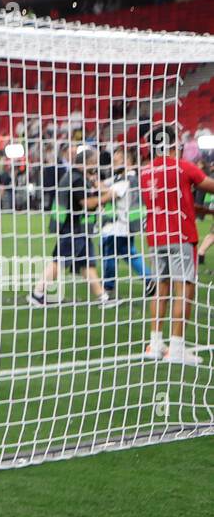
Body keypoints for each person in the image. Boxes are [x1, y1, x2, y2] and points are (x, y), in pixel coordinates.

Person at [138, 123, 214, 364]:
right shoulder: (182, 167)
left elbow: (170, 202)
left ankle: (156, 343)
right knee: (185, 289)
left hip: (155, 237)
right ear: (175, 144)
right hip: (180, 236)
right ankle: (177, 347)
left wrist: (205, 211)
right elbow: (209, 186)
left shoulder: (146, 171)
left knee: (162, 289)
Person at [29, 144, 110, 307]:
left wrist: (98, 186)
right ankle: (37, 294)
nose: (96, 165)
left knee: (88, 264)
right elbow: (86, 203)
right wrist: (109, 196)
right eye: (94, 161)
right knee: (59, 261)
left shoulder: (76, 176)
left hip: (78, 228)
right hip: (73, 228)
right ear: (88, 161)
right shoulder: (77, 179)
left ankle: (102, 297)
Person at [98, 145, 151, 302]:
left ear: (127, 161)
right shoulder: (121, 177)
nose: (113, 164)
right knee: (129, 254)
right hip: (120, 226)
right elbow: (106, 185)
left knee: (110, 255)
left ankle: (108, 287)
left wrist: (95, 184)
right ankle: (150, 280)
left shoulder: (127, 179)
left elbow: (110, 194)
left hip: (118, 226)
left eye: (117, 160)